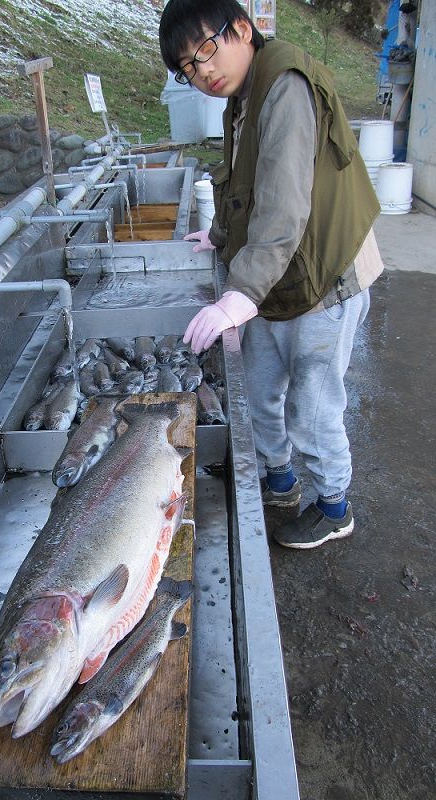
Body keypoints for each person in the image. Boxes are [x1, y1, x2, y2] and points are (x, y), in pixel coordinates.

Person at [159, 0, 384, 549]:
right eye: (187, 68)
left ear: (242, 28)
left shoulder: (284, 83)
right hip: (281, 276)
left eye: (205, 50)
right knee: (259, 391)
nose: (201, 72)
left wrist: (239, 295)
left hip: (325, 276)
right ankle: (277, 481)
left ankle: (334, 505)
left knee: (312, 403)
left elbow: (283, 205)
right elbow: (243, 186)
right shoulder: (243, 94)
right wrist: (216, 237)